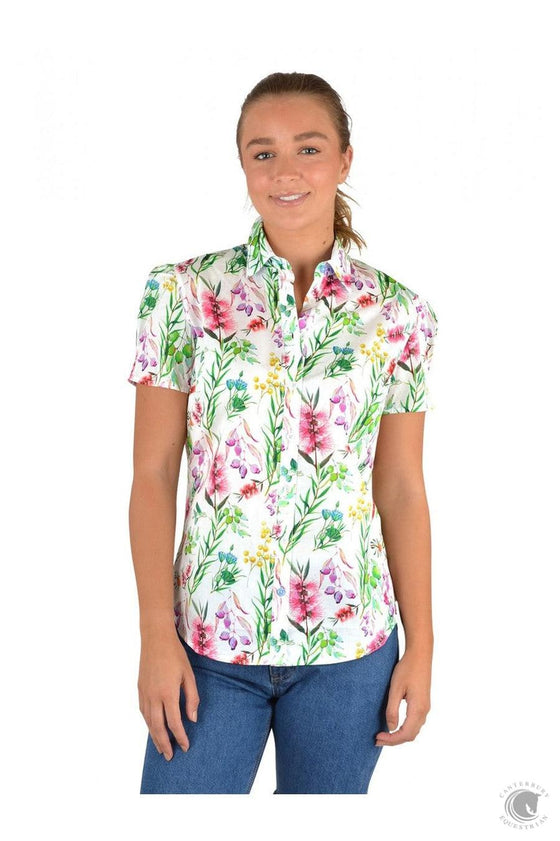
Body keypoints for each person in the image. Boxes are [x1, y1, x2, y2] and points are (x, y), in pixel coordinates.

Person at [127, 71, 439, 795]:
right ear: (242, 164)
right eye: (262, 152)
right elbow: (152, 474)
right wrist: (153, 635)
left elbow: (400, 487)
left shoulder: (400, 314)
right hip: (207, 646)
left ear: (345, 159)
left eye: (308, 147)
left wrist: (421, 645)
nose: (284, 170)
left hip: (349, 649)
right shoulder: (183, 292)